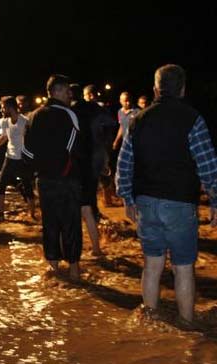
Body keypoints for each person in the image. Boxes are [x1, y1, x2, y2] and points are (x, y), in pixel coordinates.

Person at [116, 64, 217, 325]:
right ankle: (187, 327)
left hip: (146, 203)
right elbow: (208, 165)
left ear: (155, 89)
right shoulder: (193, 119)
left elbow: (124, 164)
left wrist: (126, 197)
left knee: (152, 265)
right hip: (180, 204)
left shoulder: (137, 120)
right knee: (183, 268)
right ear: (182, 89)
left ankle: (148, 326)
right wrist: (214, 199)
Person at [22, 75, 83, 280]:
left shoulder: (33, 116)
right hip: (67, 179)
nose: (70, 95)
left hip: (44, 180)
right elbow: (74, 148)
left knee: (50, 223)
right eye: (67, 91)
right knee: (71, 223)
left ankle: (53, 267)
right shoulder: (69, 115)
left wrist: (36, 172)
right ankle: (74, 269)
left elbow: (26, 151)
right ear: (56, 91)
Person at [72, 85, 111, 256]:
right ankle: (97, 246)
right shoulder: (95, 109)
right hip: (95, 157)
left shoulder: (71, 111)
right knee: (89, 201)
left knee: (77, 206)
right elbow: (111, 123)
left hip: (77, 163)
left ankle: (75, 253)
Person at [0, 96, 36, 222]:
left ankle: (32, 214)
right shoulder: (4, 121)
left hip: (22, 158)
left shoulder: (24, 121)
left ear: (9, 107)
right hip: (10, 157)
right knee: (0, 185)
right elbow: (4, 137)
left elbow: (30, 139)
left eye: (3, 107)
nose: (1, 110)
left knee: (27, 186)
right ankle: (0, 214)